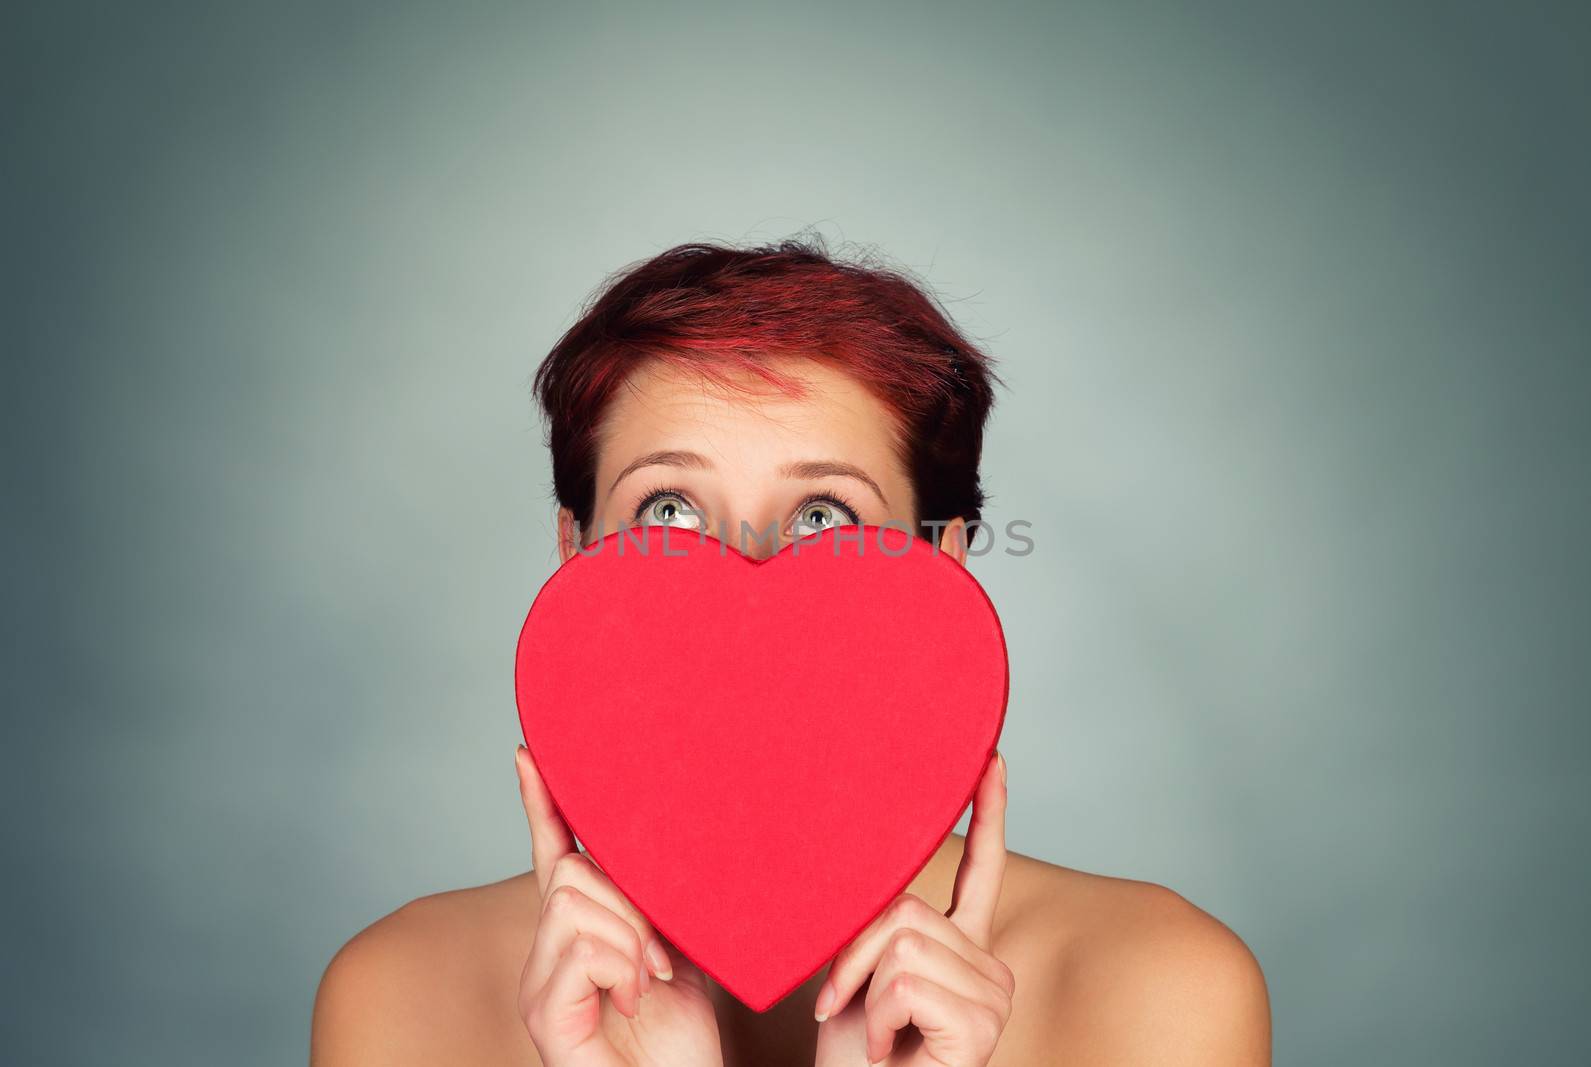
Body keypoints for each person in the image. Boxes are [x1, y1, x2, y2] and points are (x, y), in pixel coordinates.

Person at [310, 239, 1272, 1066]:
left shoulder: (1161, 992)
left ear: (942, 564)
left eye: (823, 516)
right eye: (668, 510)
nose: (744, 583)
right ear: (575, 551)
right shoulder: (400, 997)